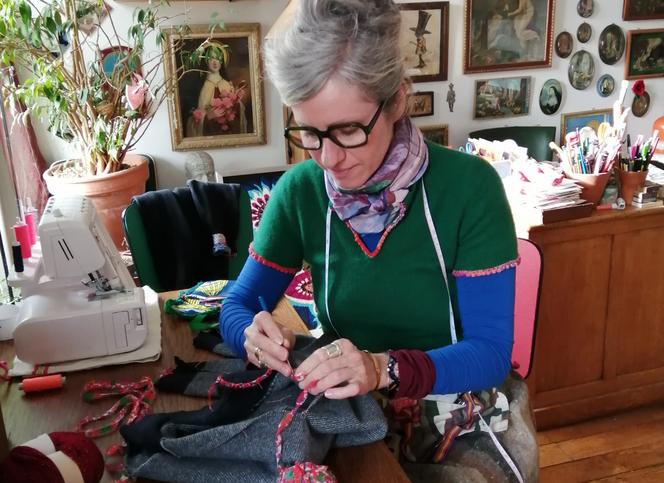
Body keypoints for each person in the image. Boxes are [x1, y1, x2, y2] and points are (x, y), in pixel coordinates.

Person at [221, 1, 532, 480]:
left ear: (397, 101)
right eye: (309, 132)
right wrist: (249, 334)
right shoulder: (300, 193)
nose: (327, 158)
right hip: (354, 405)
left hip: (459, 411)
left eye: (348, 130)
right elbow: (238, 302)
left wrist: (381, 367)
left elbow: (490, 354)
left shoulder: (471, 189)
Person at [186, 42, 248, 137]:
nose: (215, 62)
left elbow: (237, 114)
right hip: (208, 135)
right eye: (211, 59)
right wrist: (208, 116)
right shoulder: (200, 87)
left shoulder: (227, 84)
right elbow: (192, 119)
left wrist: (237, 101)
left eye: (218, 59)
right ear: (205, 61)